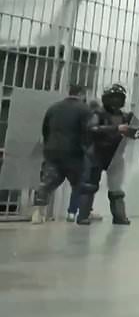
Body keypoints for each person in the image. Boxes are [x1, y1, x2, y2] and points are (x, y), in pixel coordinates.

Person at [77, 84, 139, 226]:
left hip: (116, 156)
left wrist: (132, 131)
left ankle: (119, 217)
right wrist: (116, 129)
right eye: (113, 97)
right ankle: (83, 216)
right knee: (89, 186)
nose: (116, 101)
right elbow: (92, 129)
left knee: (116, 190)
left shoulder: (126, 116)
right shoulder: (98, 113)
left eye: (118, 97)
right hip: (96, 154)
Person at [30, 84, 92, 224]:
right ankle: (72, 213)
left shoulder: (53, 108)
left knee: (47, 182)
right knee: (78, 183)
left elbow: (45, 130)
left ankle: (38, 213)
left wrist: (49, 144)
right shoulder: (84, 110)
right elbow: (88, 132)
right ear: (82, 94)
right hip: (74, 152)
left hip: (52, 152)